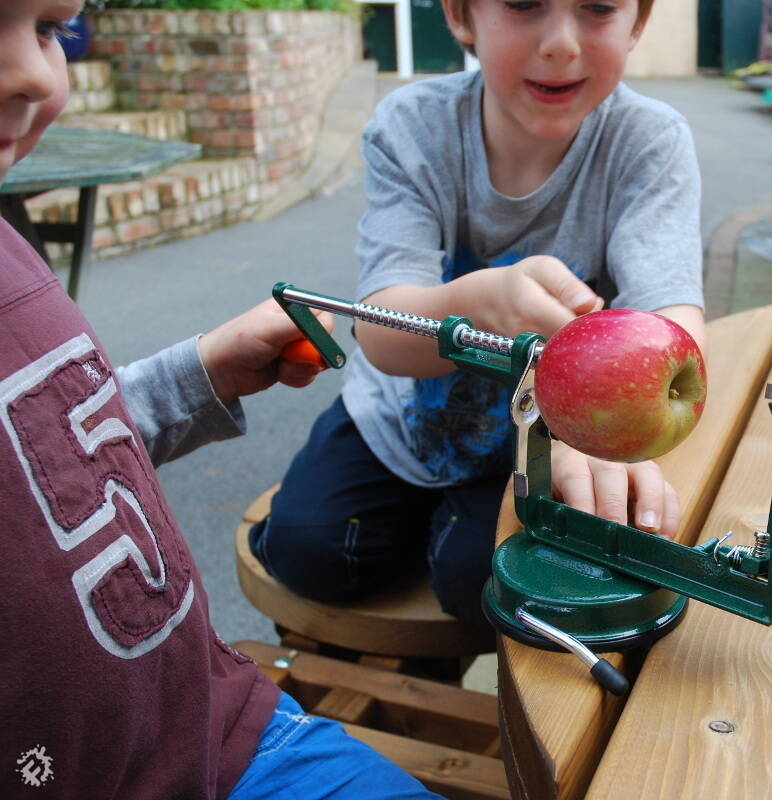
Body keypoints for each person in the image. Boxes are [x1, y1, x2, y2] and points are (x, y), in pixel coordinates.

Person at [0, 2, 445, 797]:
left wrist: (199, 372)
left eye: (48, 28)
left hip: (220, 725)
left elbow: (43, 453)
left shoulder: (10, 247)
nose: (35, 73)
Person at [251, 0, 708, 627]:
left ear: (638, 21)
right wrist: (475, 304)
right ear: (462, 16)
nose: (562, 44)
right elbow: (383, 333)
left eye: (598, 8)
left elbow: (673, 324)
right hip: (396, 419)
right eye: (523, 4)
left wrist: (608, 438)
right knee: (310, 552)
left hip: (540, 442)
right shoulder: (412, 126)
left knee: (481, 581)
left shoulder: (648, 140)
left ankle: (447, 540)